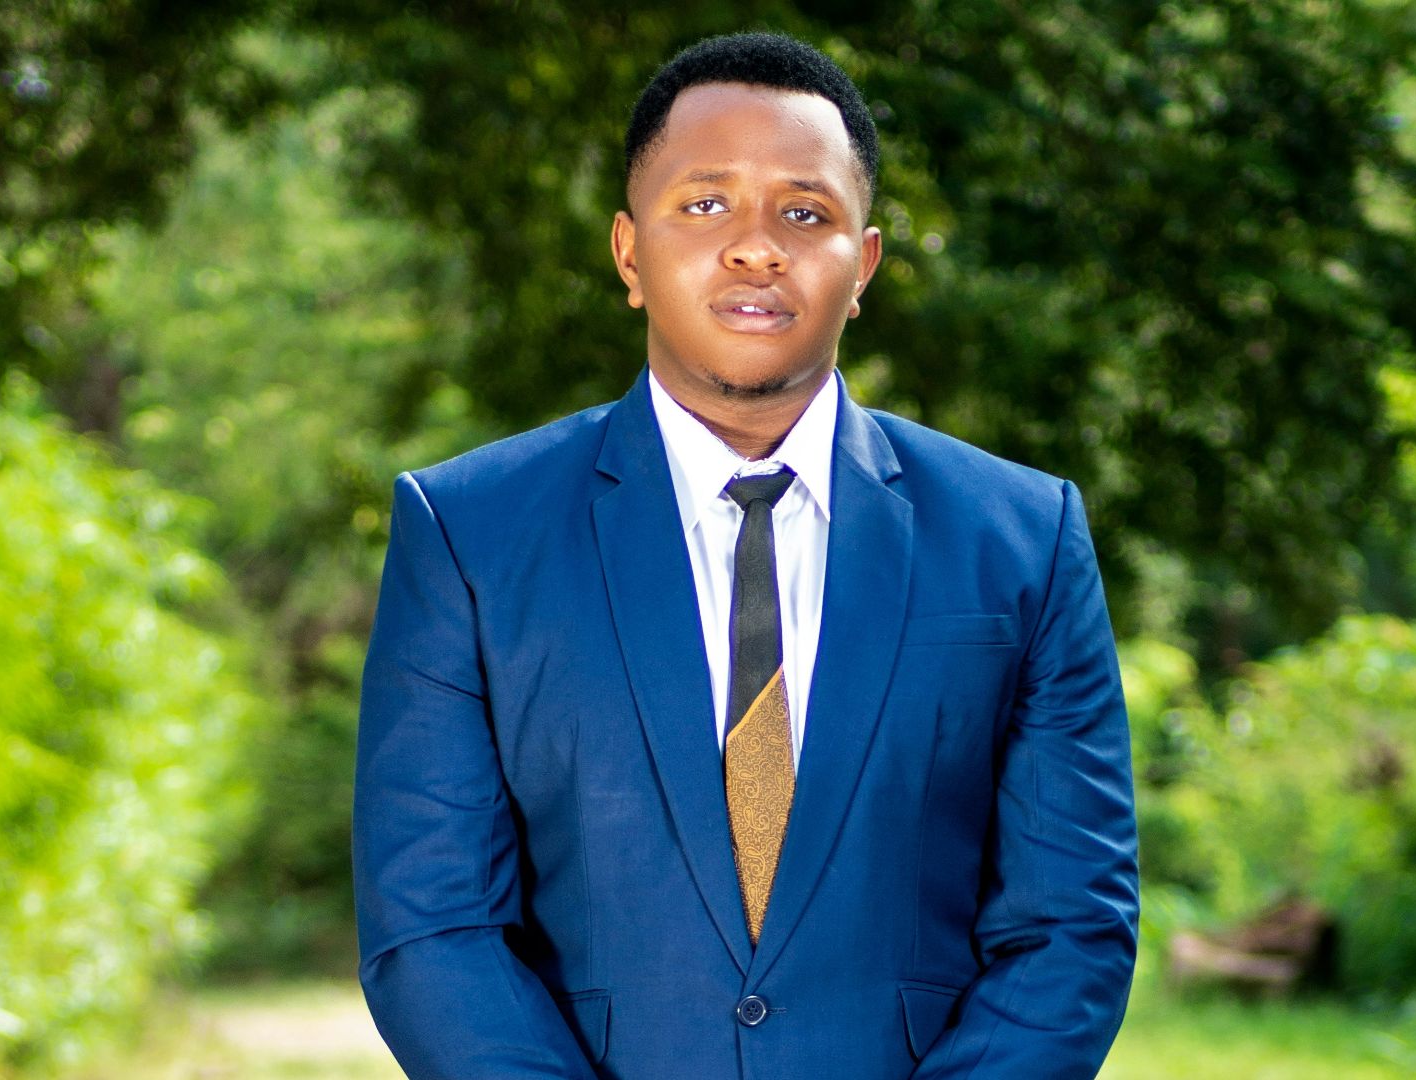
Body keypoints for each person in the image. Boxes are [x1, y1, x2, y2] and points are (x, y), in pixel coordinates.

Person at [352, 30, 1138, 1080]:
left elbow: (1072, 926)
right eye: (706, 204)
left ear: (862, 266)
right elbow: (432, 924)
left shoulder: (1022, 536)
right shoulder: (468, 532)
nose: (756, 248)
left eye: (804, 214)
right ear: (629, 253)